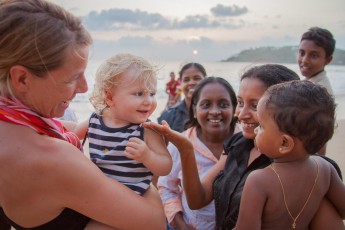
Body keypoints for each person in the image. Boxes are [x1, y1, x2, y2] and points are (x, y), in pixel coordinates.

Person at [0, 1, 165, 229]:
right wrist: (147, 181)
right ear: (21, 79)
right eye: (71, 78)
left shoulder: (20, 127)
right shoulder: (54, 159)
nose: (85, 87)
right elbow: (154, 222)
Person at [143, 64, 344, 230]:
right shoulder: (239, 145)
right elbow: (198, 199)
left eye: (255, 105)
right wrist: (186, 150)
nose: (241, 113)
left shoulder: (308, 167)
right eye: (240, 102)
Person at [235, 80, 345, 229]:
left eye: (261, 126)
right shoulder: (325, 168)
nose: (255, 130)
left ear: (284, 144)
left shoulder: (258, 180)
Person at [82, 53, 172, 195]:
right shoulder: (95, 120)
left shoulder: (146, 130)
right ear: (110, 97)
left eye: (152, 94)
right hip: (99, 193)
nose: (149, 101)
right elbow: (72, 133)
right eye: (139, 94)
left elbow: (166, 166)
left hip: (132, 199)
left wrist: (148, 156)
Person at [158, 77, 241, 229]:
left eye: (223, 104)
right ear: (195, 111)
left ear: (235, 109)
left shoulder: (247, 141)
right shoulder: (180, 144)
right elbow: (166, 187)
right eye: (206, 104)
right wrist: (180, 223)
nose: (215, 111)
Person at [297, 27, 336, 155]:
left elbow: (318, 137)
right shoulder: (309, 82)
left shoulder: (319, 91)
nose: (304, 60)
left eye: (314, 55)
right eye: (302, 53)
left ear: (328, 59)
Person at [157, 63, 207, 132]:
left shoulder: (214, 114)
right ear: (181, 83)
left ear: (206, 81)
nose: (191, 82)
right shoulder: (169, 116)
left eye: (197, 78)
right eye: (186, 80)